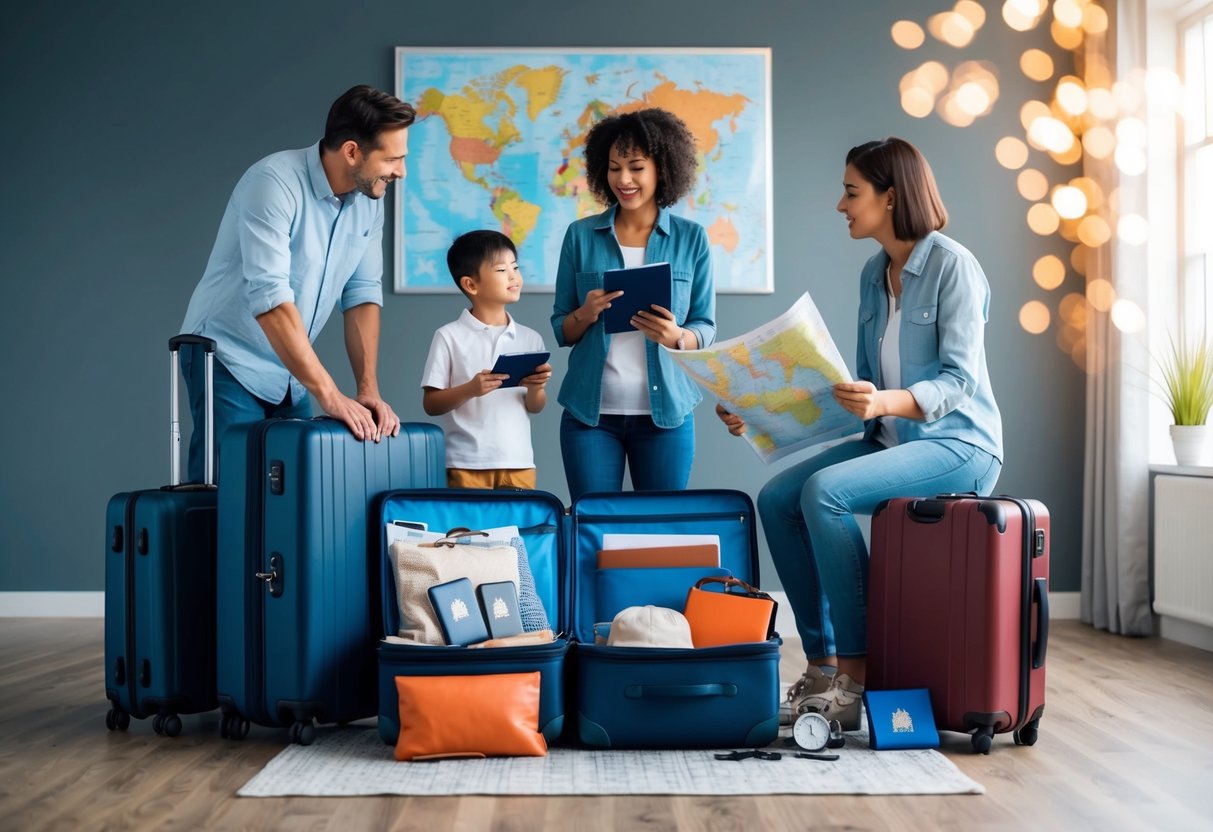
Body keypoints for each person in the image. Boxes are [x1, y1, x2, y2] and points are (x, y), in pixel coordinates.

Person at [717, 137, 1003, 729]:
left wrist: (882, 402)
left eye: (852, 192)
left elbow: (959, 383)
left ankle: (858, 672)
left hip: (958, 445)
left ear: (890, 197)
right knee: (776, 498)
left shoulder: (954, 267)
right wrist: (758, 411)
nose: (841, 205)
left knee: (825, 492)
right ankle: (821, 665)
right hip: (890, 440)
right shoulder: (875, 275)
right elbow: (856, 393)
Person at [178, 84, 414, 482]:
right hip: (228, 357)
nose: (401, 172)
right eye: (392, 159)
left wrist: (366, 388)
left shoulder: (369, 203)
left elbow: (361, 296)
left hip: (291, 371)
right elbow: (270, 299)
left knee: (295, 497)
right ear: (352, 151)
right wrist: (329, 394)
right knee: (228, 496)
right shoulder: (272, 183)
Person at [550, 108, 716, 501]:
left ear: (663, 169)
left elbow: (706, 328)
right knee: (593, 530)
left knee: (659, 533)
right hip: (591, 418)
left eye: (636, 167)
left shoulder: (692, 239)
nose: (623, 179)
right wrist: (585, 314)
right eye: (614, 168)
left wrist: (677, 336)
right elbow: (561, 328)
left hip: (667, 418)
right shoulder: (580, 236)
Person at [421, 230, 552, 489]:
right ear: (471, 284)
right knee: (466, 531)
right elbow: (431, 404)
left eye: (515, 266)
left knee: (518, 529)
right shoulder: (448, 336)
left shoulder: (530, 338)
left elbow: (535, 407)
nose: (514, 276)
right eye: (502, 270)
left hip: (519, 462)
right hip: (464, 462)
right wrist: (471, 389)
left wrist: (536, 388)